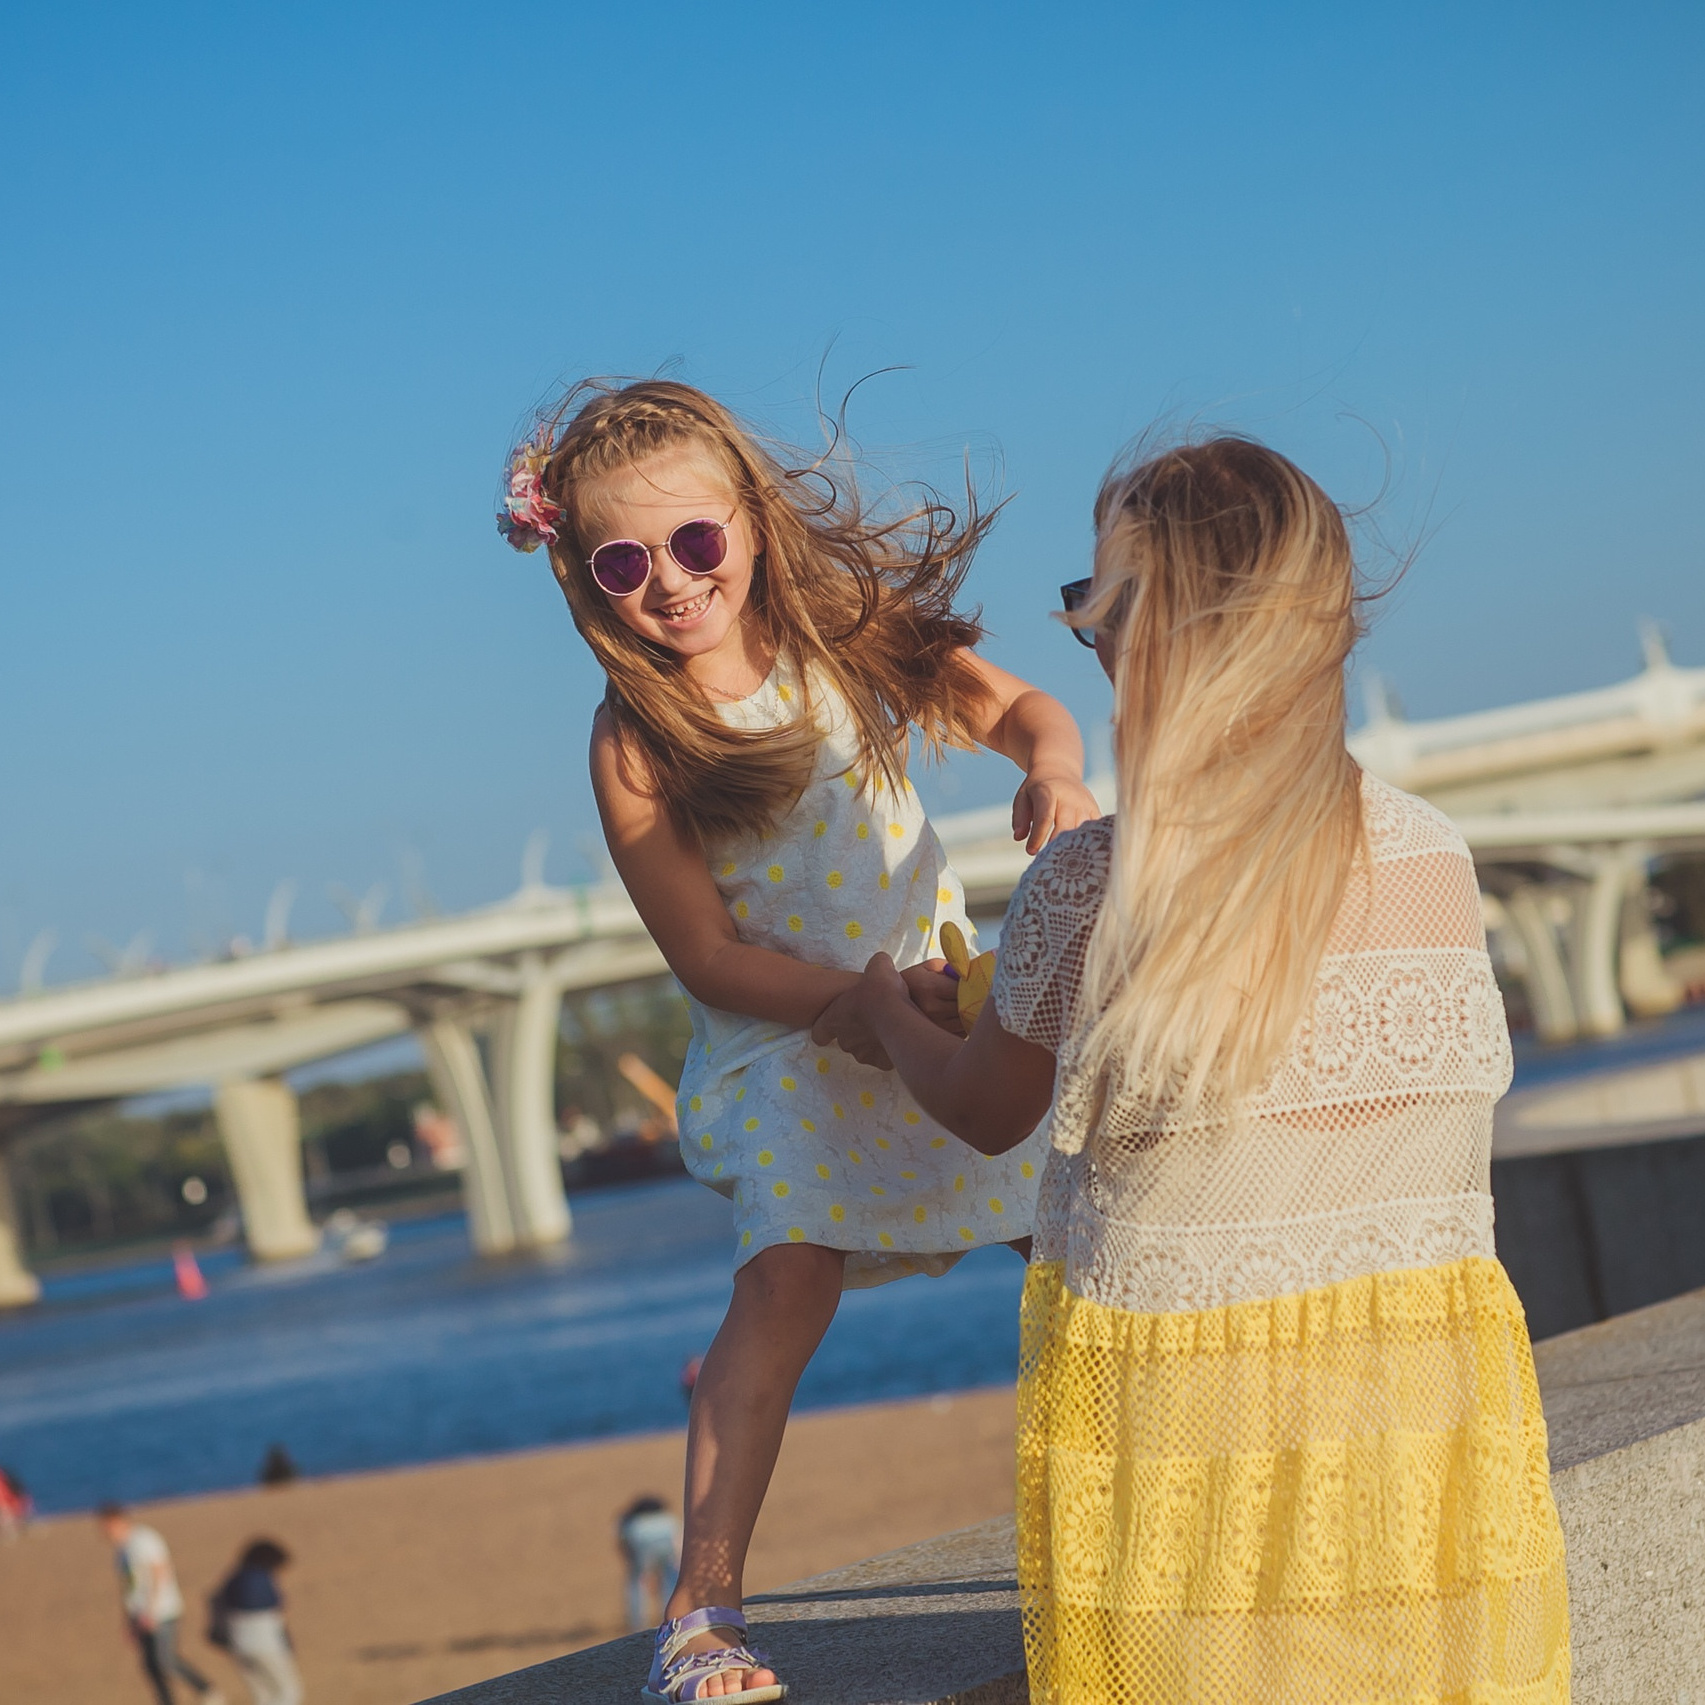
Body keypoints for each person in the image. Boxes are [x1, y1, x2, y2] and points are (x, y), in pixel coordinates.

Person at [826, 437, 1572, 1704]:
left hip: (1189, 1431)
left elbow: (988, 1111)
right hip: (1419, 1434)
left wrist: (885, 1018)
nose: (1089, 639)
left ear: (1154, 636)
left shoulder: (1089, 885)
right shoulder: (1433, 855)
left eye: (1096, 609)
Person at [498, 378, 1099, 1701]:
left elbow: (1022, 713)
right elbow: (705, 954)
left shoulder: (840, 633)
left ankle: (1135, 1517)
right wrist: (852, 1006)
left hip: (932, 1003)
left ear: (751, 526)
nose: (669, 582)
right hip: (785, 1038)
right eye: (623, 562)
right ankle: (699, 1612)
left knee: (1072, 1238)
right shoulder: (636, 738)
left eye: (695, 542)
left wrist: (1049, 769)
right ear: (585, 583)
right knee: (785, 1284)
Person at [97, 1502, 226, 1705]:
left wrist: (152, 1610)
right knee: (150, 1667)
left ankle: (207, 1690)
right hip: (139, 1616)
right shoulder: (121, 1552)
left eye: (105, 1527)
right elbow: (127, 1590)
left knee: (166, 1661)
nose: (103, 1533)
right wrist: (128, 1622)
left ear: (117, 1521)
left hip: (163, 1612)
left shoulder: (143, 1539)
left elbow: (160, 1571)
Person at [210, 1539, 303, 1705]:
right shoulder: (261, 1578)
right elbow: (274, 1614)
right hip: (264, 1642)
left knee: (262, 1696)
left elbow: (217, 1604)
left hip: (237, 1643)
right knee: (289, 1692)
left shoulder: (233, 1578)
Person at [619, 1496, 683, 1631]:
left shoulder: (628, 1522)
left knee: (636, 1584)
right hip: (666, 1539)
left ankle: (637, 1623)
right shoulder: (668, 1519)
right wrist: (676, 1560)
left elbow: (624, 1545)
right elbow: (678, 1540)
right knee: (670, 1580)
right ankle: (673, 1618)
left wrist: (637, 1568)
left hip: (640, 1540)